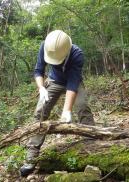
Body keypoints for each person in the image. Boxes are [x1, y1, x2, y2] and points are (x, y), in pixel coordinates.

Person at [20, 30, 95, 177]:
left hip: (74, 83)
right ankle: (31, 156)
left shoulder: (77, 54)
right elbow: (38, 70)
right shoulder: (45, 46)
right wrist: (41, 88)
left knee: (83, 107)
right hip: (54, 81)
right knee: (40, 111)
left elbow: (73, 84)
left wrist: (66, 111)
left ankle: (92, 146)